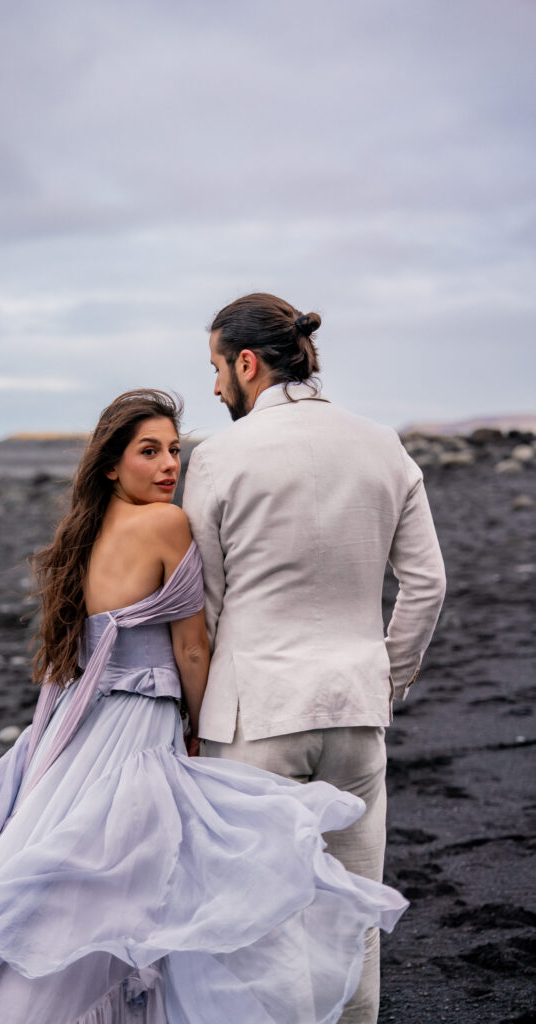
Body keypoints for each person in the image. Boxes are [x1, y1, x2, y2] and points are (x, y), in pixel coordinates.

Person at [0, 389, 407, 1024]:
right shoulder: (166, 524)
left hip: (79, 723)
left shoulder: (85, 532)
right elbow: (191, 649)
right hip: (139, 726)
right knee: (133, 880)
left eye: (174, 449)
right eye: (149, 451)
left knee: (62, 874)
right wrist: (199, 724)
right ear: (112, 465)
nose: (170, 464)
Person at [183, 294, 446, 1024]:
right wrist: (387, 677)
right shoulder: (381, 444)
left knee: (261, 927)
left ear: (246, 363)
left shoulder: (220, 456)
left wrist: (194, 717)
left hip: (254, 720)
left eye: (216, 368)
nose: (214, 387)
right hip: (355, 712)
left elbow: (204, 605)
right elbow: (427, 584)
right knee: (353, 915)